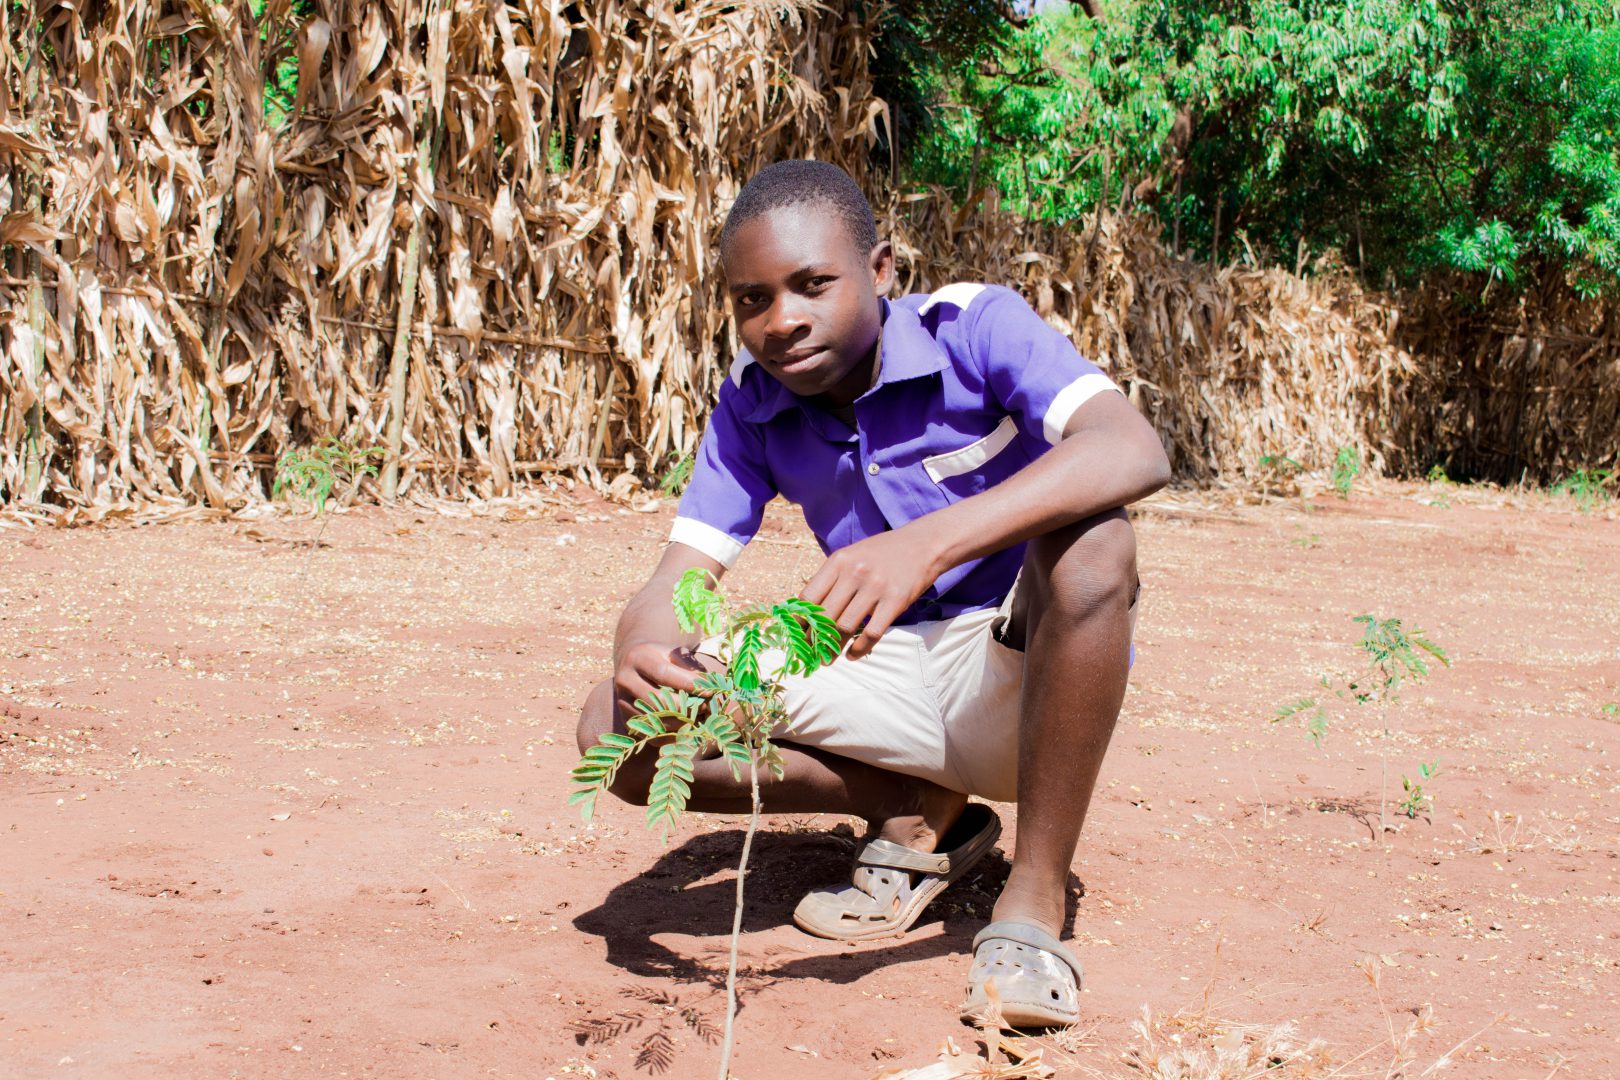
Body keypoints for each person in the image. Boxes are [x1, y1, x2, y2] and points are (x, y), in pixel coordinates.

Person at [576, 159, 1170, 1028]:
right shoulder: (751, 404)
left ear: (881, 270)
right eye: (753, 300)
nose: (784, 321)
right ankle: (915, 811)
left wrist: (926, 545)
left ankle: (1031, 906)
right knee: (614, 730)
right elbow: (677, 579)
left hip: (1017, 677)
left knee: (1094, 544)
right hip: (873, 661)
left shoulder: (974, 327)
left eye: (813, 284)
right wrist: (645, 656)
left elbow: (1131, 449)